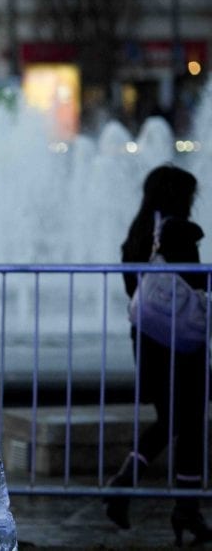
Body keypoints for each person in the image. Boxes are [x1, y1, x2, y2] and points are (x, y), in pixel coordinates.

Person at [107, 164, 211, 544]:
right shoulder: (178, 230)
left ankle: (126, 486)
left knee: (173, 418)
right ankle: (185, 507)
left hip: (148, 338)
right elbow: (196, 281)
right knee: (190, 419)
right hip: (181, 341)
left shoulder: (137, 234)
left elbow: (133, 288)